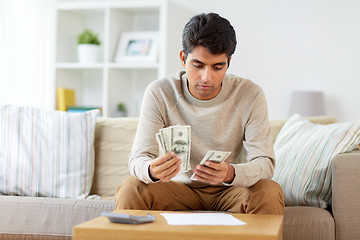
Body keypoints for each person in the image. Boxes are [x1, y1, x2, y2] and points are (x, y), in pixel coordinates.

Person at [115, 13, 284, 214]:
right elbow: (138, 158)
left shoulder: (250, 94)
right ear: (183, 58)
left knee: (269, 191)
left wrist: (230, 173)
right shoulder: (160, 92)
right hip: (177, 189)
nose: (206, 77)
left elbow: (264, 163)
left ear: (229, 62)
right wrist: (151, 170)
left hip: (231, 191)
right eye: (198, 65)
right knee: (131, 189)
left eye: (217, 67)